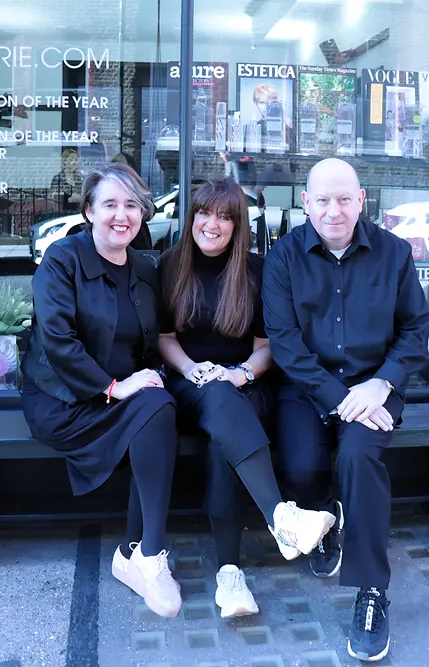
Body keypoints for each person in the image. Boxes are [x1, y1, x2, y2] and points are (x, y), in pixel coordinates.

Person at [263, 158, 429, 662]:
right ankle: (327, 524)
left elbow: (414, 331)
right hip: (309, 388)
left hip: (376, 388)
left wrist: (380, 384)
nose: (333, 210)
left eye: (343, 199)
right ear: (306, 204)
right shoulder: (283, 259)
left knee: (357, 456)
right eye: (322, 200)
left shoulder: (395, 254)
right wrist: (341, 400)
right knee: (298, 464)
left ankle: (372, 591)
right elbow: (286, 345)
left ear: (362, 200)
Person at [158, 178, 336, 619]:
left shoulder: (258, 271)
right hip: (189, 381)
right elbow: (164, 338)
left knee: (225, 432)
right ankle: (282, 518)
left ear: (239, 226)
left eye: (224, 216)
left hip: (248, 384)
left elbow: (268, 346)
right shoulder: (169, 265)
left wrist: (238, 374)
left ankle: (229, 575)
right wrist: (191, 369)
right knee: (217, 403)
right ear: (191, 217)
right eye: (204, 212)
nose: (212, 224)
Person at [20, 163, 182, 618]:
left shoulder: (146, 271)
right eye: (110, 204)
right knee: (153, 409)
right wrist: (113, 386)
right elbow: (57, 341)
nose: (121, 215)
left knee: (159, 404)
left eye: (132, 205)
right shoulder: (62, 260)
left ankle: (146, 556)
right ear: (89, 210)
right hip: (63, 401)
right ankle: (140, 558)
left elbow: (152, 344)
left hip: (124, 396)